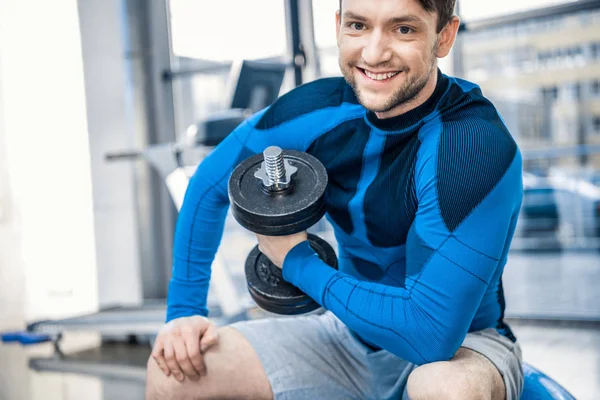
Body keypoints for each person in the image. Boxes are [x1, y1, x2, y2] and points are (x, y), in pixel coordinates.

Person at [145, 0, 524, 398]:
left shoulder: (472, 146)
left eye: (403, 29)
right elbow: (209, 184)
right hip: (347, 334)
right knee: (176, 370)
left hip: (464, 345)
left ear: (444, 36)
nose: (375, 53)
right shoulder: (319, 110)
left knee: (443, 388)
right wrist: (184, 312)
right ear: (339, 26)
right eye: (359, 26)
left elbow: (430, 336)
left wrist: (295, 261)